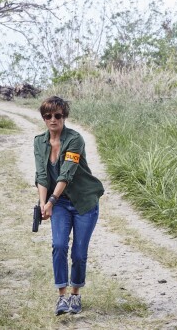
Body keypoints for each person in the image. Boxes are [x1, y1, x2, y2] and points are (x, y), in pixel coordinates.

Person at [33, 96, 104, 316]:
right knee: (59, 245)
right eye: (48, 116)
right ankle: (62, 297)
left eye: (58, 115)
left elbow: (67, 173)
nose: (53, 120)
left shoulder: (75, 139)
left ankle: (75, 294)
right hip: (60, 202)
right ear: (44, 118)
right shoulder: (39, 141)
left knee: (79, 253)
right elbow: (42, 175)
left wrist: (51, 201)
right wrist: (44, 204)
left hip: (84, 201)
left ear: (64, 117)